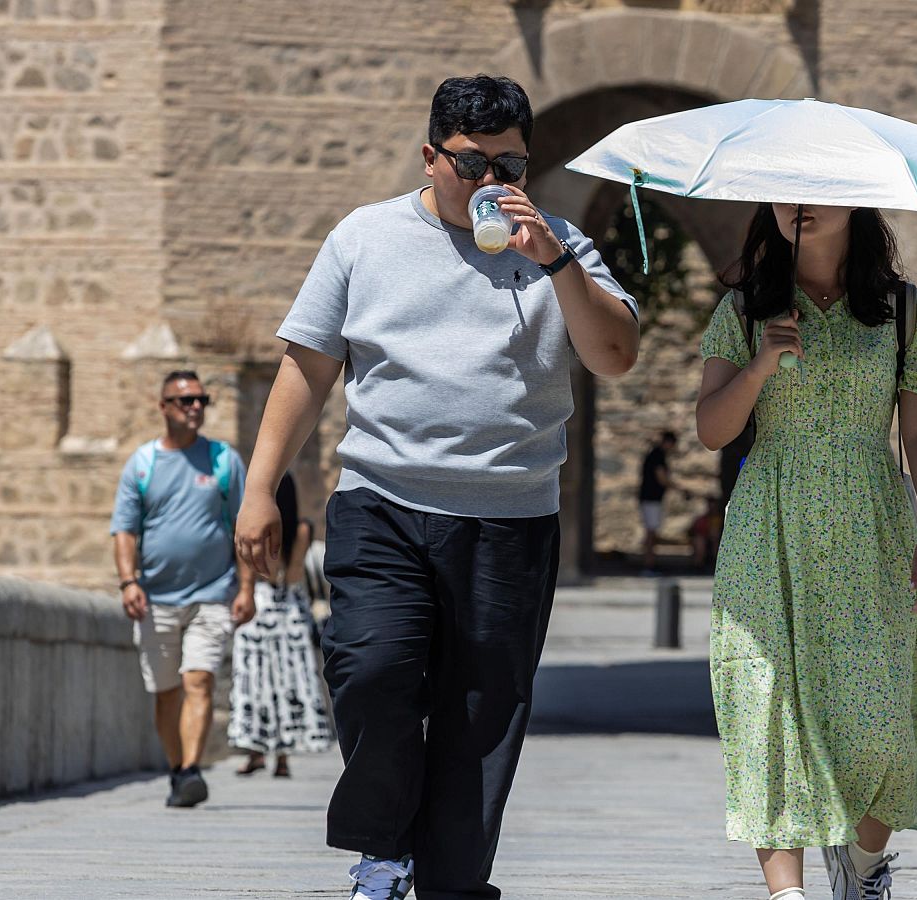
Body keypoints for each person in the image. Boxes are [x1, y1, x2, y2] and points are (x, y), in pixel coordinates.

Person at [233, 75, 638, 900]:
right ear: (430, 156)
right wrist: (258, 487)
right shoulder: (364, 237)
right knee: (371, 671)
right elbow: (309, 365)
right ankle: (382, 850)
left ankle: (453, 882)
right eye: (472, 163)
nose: (492, 182)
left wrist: (554, 260)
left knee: (480, 716)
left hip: (510, 520)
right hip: (381, 500)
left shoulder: (558, 245)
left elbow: (616, 355)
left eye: (510, 165)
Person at [696, 203, 917, 900]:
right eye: (785, 189)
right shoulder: (742, 310)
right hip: (770, 524)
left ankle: (861, 869)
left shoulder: (906, 312)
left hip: (872, 526)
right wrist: (761, 364)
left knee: (881, 728)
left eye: (819, 187)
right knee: (765, 705)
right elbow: (713, 428)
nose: (801, 203)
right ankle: (787, 893)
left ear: (856, 200)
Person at [110, 370, 254, 809]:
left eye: (201, 400)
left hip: (212, 593)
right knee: (166, 691)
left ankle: (191, 769)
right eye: (185, 400)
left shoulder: (223, 461)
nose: (195, 408)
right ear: (164, 407)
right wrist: (128, 581)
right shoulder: (143, 464)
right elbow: (124, 531)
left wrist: (246, 588)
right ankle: (177, 769)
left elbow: (243, 530)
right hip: (155, 598)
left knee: (200, 678)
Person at [230, 471, 334, 778]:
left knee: (255, 681)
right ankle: (284, 757)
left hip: (260, 606)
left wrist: (245, 592)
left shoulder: (253, 529)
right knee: (289, 682)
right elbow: (294, 575)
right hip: (290, 607)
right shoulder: (301, 530)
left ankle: (254, 752)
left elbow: (247, 570)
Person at [638, 430, 678, 574]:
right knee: (651, 532)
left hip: (652, 498)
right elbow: (662, 478)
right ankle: (648, 565)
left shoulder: (656, 454)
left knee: (652, 531)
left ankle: (650, 564)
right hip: (651, 498)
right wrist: (679, 488)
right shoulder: (657, 455)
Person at [690, 493, 726, 570]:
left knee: (716, 541)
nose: (712, 507)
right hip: (705, 538)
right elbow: (696, 531)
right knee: (699, 541)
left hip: (719, 540)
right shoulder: (702, 518)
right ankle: (698, 566)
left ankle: (717, 565)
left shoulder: (722, 518)